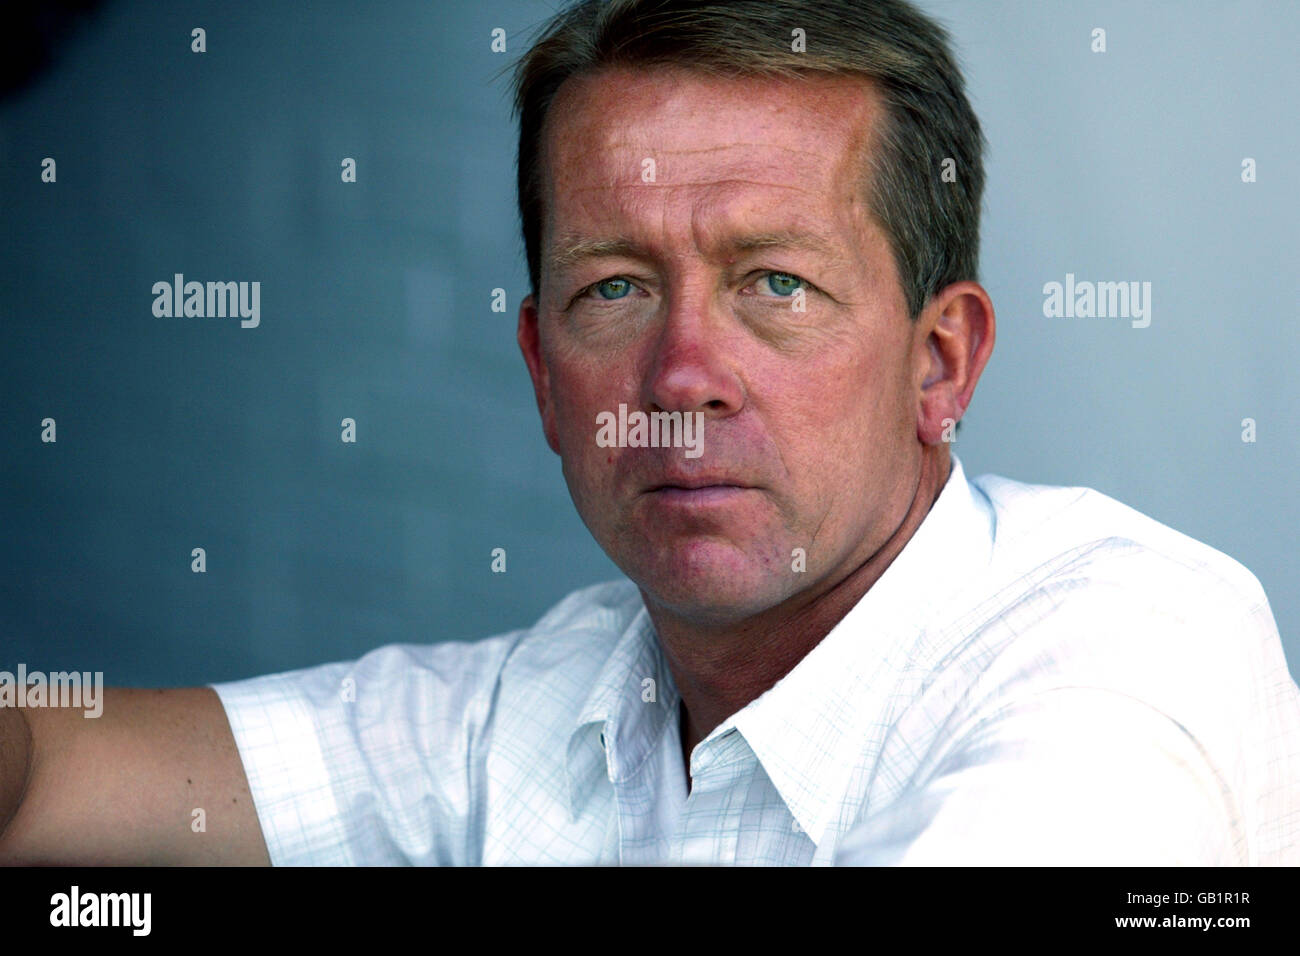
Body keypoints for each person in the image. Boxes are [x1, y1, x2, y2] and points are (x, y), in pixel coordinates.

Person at [2, 0, 1297, 866]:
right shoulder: (562, 702)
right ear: (543, 378)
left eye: (776, 285)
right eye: (613, 287)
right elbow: (56, 773)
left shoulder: (1129, 652)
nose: (681, 373)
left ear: (939, 362)